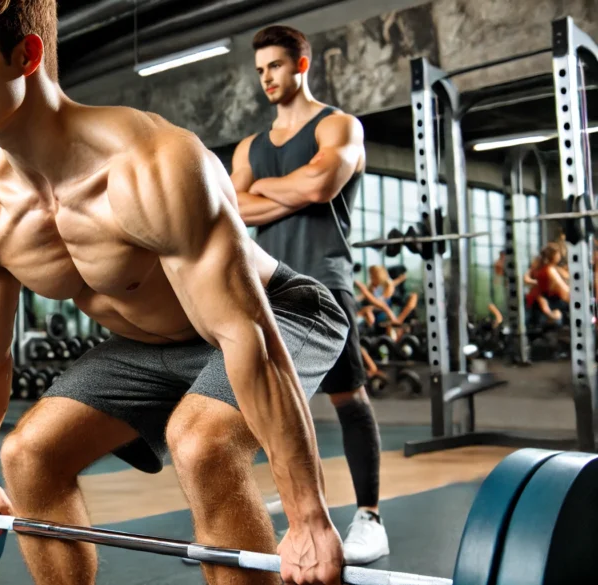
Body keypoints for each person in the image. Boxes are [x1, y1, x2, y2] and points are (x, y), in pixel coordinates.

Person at [0, 3, 350, 585]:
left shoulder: (152, 164)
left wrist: (308, 518)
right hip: (147, 344)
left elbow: (244, 332)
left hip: (274, 313)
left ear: (26, 56)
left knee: (200, 443)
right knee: (28, 457)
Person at [229, 25, 389, 565]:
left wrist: (266, 191)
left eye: (275, 66)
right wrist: (291, 189)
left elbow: (321, 187)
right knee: (273, 398)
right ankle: (304, 495)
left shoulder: (338, 125)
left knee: (348, 396)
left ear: (301, 64)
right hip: (269, 282)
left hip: (324, 276)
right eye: (259, 70)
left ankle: (369, 517)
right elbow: (232, 209)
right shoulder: (251, 145)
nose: (266, 77)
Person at [525, 242, 569, 326]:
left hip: (542, 303)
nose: (559, 256)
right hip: (544, 305)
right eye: (558, 254)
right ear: (553, 255)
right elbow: (563, 291)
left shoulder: (549, 268)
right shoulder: (548, 270)